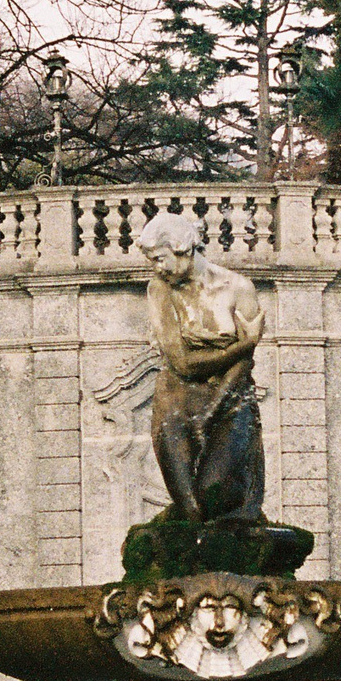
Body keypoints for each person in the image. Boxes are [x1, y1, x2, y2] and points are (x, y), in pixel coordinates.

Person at [135, 210, 267, 525]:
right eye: (153, 260)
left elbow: (243, 367)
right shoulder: (160, 289)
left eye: (161, 258)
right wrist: (243, 345)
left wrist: (215, 407)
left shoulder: (238, 287)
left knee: (214, 493)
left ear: (184, 248)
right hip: (177, 399)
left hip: (232, 396)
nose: (158, 267)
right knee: (190, 506)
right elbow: (182, 363)